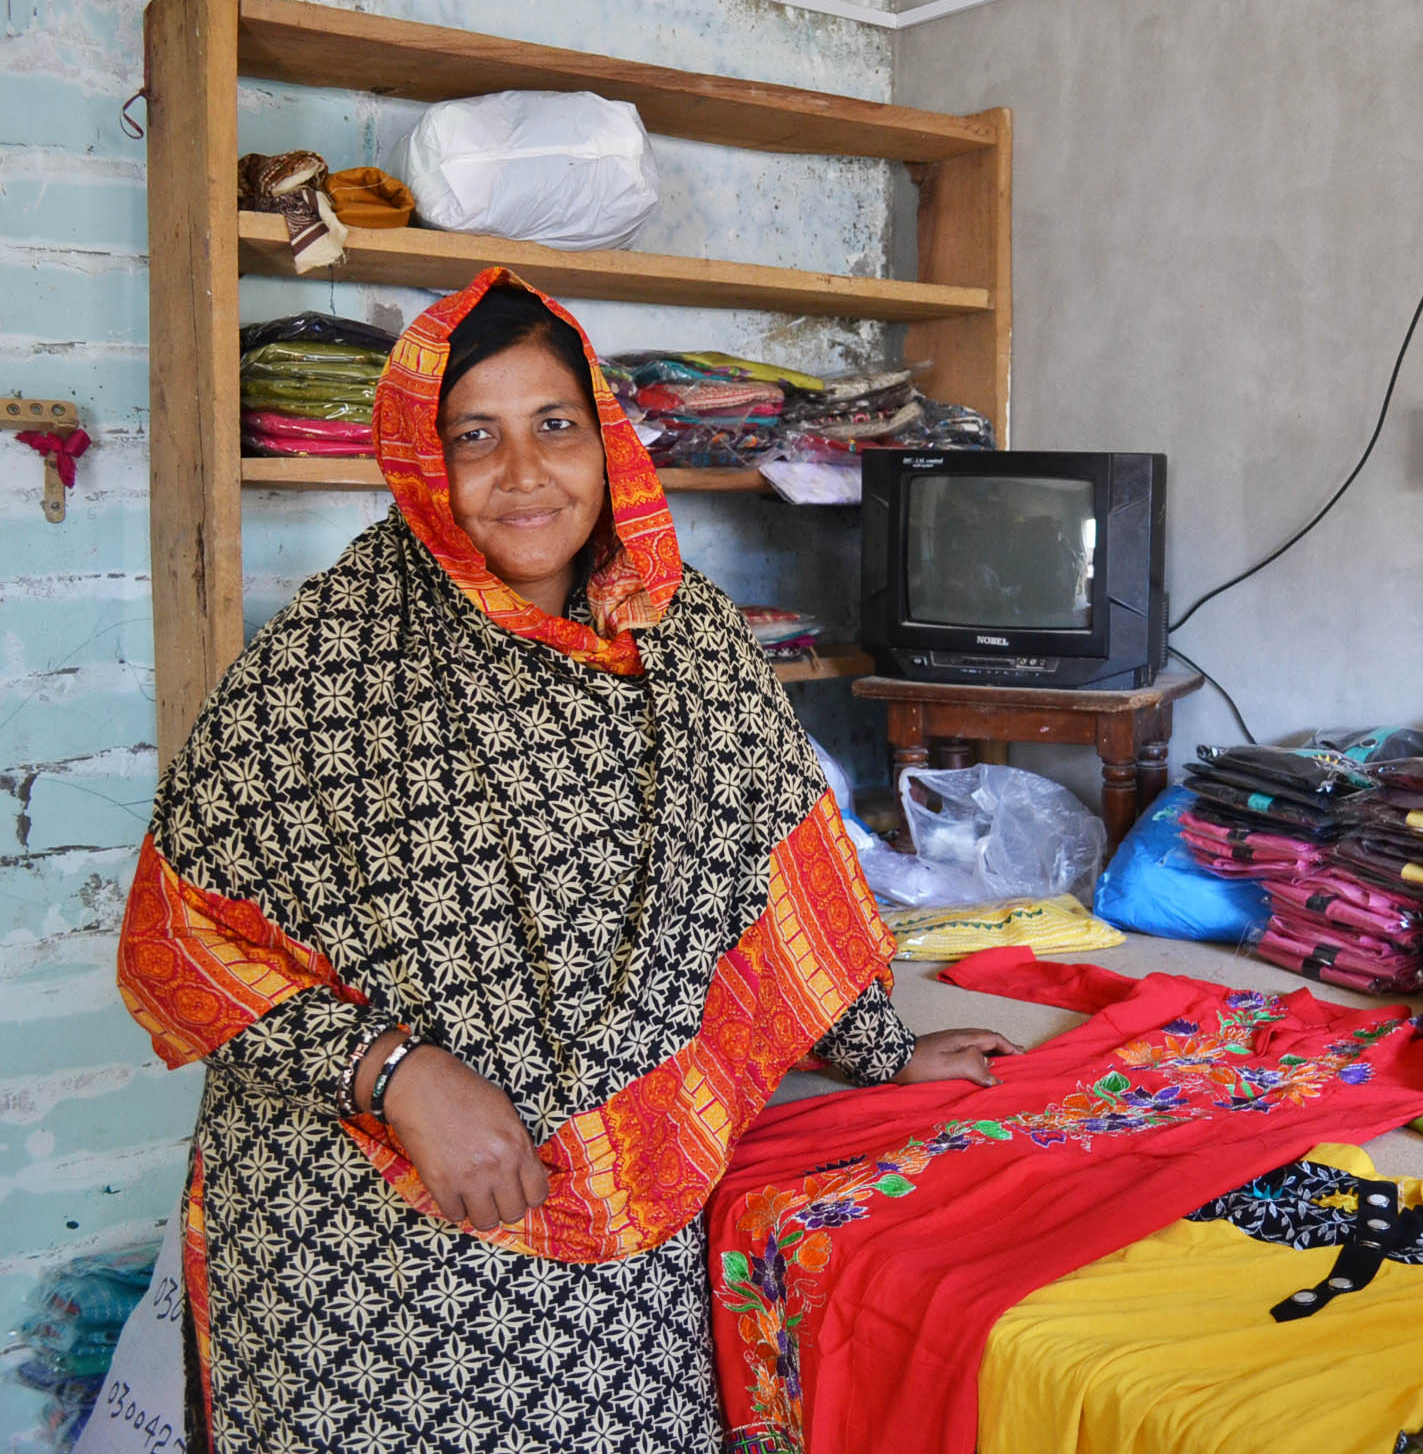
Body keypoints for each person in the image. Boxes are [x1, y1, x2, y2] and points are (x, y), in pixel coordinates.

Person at [115, 269, 1018, 1452]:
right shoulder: (326, 663)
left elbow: (776, 872)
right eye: (473, 438)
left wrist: (878, 1047)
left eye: (555, 425)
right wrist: (402, 1076)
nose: (525, 473)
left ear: (607, 440)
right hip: (372, 1234)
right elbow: (176, 941)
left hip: (631, 1227)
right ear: (420, 464)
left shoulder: (687, 633)